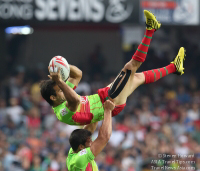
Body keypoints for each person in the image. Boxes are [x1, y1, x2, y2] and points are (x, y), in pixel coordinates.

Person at [40, 10, 185, 126]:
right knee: (130, 67)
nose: (63, 87)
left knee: (138, 77)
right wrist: (59, 82)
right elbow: (76, 102)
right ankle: (151, 29)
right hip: (110, 102)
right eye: (60, 89)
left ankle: (174, 67)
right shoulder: (62, 113)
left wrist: (62, 66)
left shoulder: (63, 93)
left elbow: (77, 74)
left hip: (103, 96)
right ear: (53, 97)